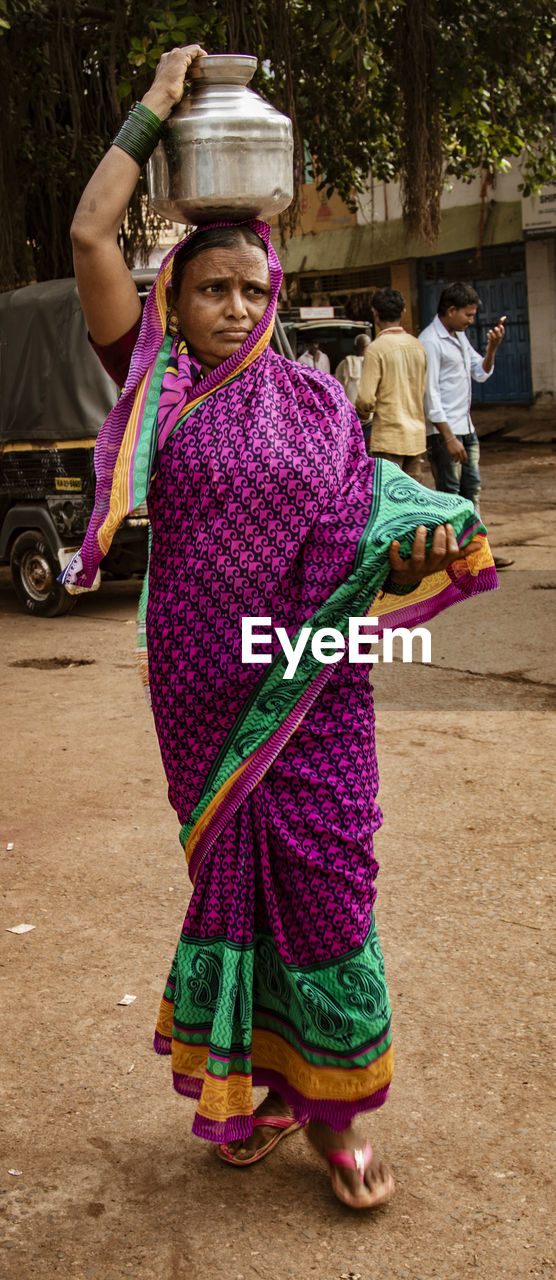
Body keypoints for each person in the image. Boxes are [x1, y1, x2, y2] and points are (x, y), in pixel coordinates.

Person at [64, 45, 499, 1212]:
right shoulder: (157, 383)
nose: (239, 307)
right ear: (175, 298)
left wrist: (409, 545)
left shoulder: (313, 394)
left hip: (320, 678)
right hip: (206, 686)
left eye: (254, 289)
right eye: (215, 289)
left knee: (329, 876)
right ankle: (255, 1087)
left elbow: (366, 511)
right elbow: (90, 239)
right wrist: (156, 105)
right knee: (235, 885)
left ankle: (341, 1112)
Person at [419, 282, 514, 568]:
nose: (471, 321)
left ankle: (477, 551)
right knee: (449, 495)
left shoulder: (458, 336)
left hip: (466, 428)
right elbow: (430, 394)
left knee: (471, 491)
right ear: (451, 310)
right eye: (468, 315)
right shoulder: (430, 341)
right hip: (444, 433)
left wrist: (492, 348)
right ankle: (450, 558)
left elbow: (480, 372)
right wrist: (448, 438)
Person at [355, 287, 427, 480]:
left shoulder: (375, 349)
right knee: (412, 501)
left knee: (389, 500)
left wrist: (361, 415)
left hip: (388, 438)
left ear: (375, 312)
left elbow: (365, 399)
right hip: (416, 437)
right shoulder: (417, 346)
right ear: (403, 312)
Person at [334, 333, 371, 404]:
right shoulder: (345, 363)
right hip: (361, 405)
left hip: (352, 405)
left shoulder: (344, 363)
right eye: (364, 347)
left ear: (354, 347)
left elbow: (337, 386)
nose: (364, 349)